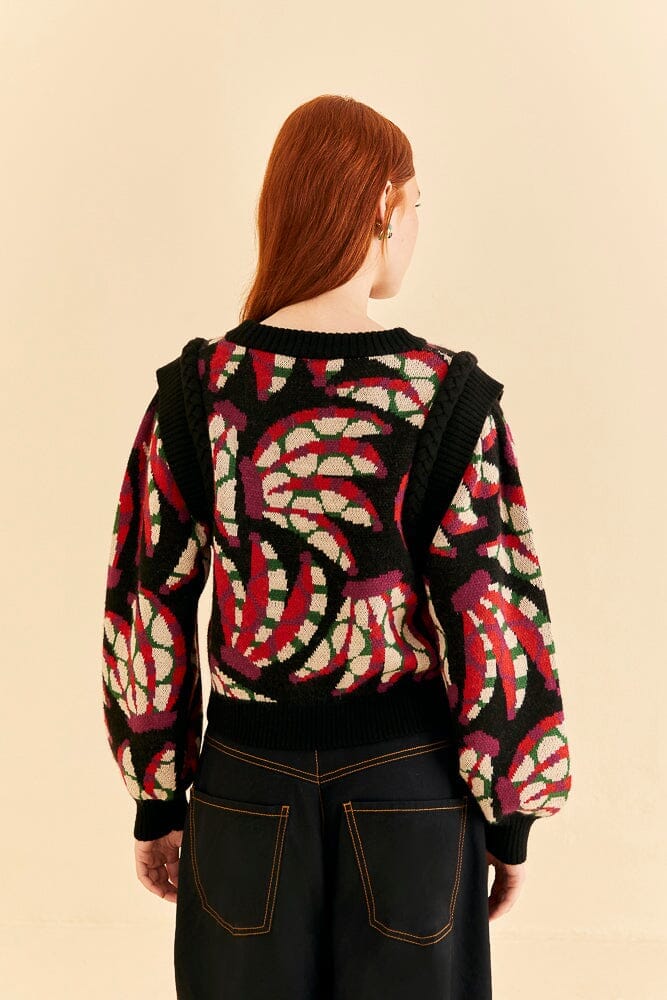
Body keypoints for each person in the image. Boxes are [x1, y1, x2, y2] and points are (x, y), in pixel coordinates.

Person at [102, 94, 571, 999]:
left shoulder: (199, 391)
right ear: (383, 208)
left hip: (244, 791)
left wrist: (157, 797)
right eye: (416, 204)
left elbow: (145, 603)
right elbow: (496, 610)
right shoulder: (444, 397)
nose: (416, 226)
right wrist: (509, 816)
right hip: (412, 796)